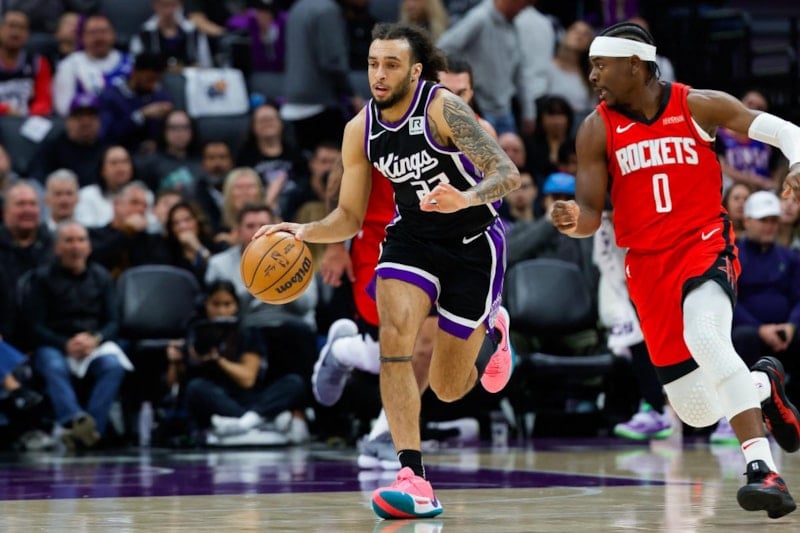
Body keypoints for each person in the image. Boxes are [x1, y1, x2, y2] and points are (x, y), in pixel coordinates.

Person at [254, 23, 519, 519]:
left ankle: (493, 335)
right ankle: (412, 477)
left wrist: (464, 197)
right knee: (394, 342)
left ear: (415, 72)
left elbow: (507, 173)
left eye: (391, 64)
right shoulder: (360, 129)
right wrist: (302, 231)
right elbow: (349, 217)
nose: (379, 73)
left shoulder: (443, 108)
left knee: (448, 387)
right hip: (410, 240)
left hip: (472, 244)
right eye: (373, 63)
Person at [551, 21, 800, 518]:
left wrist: (795, 164)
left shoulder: (697, 105)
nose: (592, 75)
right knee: (696, 410)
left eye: (601, 65)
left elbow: (786, 131)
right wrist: (573, 221)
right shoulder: (596, 128)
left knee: (706, 336)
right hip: (647, 266)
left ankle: (761, 468)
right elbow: (592, 216)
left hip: (702, 244)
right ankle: (761, 384)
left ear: (635, 65)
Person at [28, 221, 130, 451]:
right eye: (69, 240)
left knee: (113, 366)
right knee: (53, 366)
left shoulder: (102, 277)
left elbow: (114, 322)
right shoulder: (42, 278)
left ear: (89, 247)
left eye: (81, 240)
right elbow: (35, 326)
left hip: (92, 344)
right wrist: (64, 344)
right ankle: (74, 420)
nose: (75, 246)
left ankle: (90, 430)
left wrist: (96, 338)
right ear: (57, 247)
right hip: (55, 344)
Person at [0, 10, 52, 117]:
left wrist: (28, 116)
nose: (16, 32)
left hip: (26, 120)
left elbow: (44, 101)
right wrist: (5, 110)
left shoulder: (38, 62)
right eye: (11, 26)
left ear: (28, 34)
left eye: (22, 28)